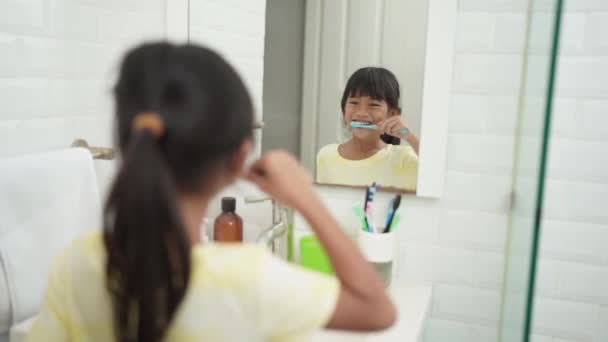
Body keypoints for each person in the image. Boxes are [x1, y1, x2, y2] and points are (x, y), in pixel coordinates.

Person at [26, 42, 395, 342]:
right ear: (239, 157)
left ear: (129, 138)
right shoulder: (248, 280)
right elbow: (377, 310)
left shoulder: (77, 264)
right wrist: (304, 196)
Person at [316, 67, 419, 190]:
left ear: (392, 114)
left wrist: (408, 135)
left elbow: (438, 172)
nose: (361, 113)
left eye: (373, 105)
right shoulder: (326, 155)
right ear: (344, 110)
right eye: (354, 103)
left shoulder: (404, 159)